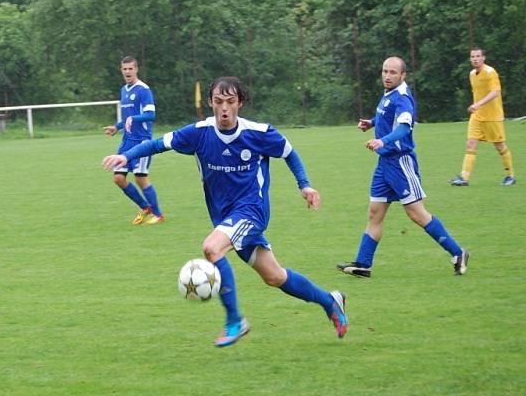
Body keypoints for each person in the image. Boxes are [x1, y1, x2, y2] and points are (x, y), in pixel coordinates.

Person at [103, 77, 348, 347]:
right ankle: (330, 301)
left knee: (212, 248)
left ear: (240, 103)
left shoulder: (259, 133)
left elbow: (290, 153)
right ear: (210, 102)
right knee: (275, 276)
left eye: (230, 102)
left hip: (252, 211)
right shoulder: (199, 133)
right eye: (218, 102)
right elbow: (158, 144)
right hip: (225, 217)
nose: (224, 109)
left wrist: (305, 186)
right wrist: (127, 156)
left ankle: (235, 321)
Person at [338, 56, 470, 279]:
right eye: (385, 71)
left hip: (400, 162)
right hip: (385, 163)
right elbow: (387, 116)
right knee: (374, 212)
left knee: (417, 214)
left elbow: (404, 128)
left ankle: (458, 253)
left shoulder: (403, 98)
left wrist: (382, 141)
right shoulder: (389, 94)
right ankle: (363, 264)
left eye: (392, 72)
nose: (387, 76)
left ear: (403, 75)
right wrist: (371, 123)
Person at [103, 56, 164, 225]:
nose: (128, 72)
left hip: (142, 141)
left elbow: (151, 115)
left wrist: (135, 119)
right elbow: (128, 118)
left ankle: (158, 215)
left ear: (136, 69)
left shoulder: (143, 89)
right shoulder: (124, 90)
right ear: (121, 70)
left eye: (131, 68)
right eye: (125, 69)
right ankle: (146, 208)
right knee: (118, 178)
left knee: (140, 177)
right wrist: (117, 127)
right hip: (127, 141)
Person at [450, 48, 515, 186]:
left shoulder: (490, 73)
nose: (475, 59)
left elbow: (496, 92)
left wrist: (478, 104)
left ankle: (510, 176)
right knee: (471, 144)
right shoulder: (472, 74)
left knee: (500, 146)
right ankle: (464, 178)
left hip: (492, 117)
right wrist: (476, 107)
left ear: (483, 58)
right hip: (477, 116)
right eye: (472, 56)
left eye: (478, 56)